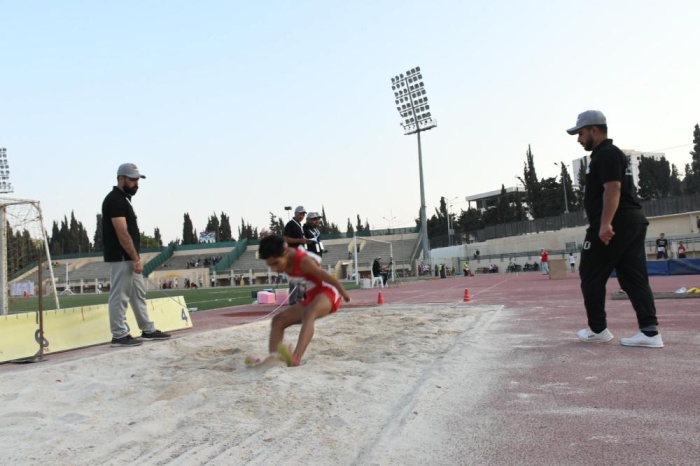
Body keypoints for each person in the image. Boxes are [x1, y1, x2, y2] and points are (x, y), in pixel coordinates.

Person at [567, 110, 662, 347]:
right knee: (633, 277)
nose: (579, 139)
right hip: (631, 221)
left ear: (594, 130)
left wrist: (605, 223)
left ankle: (598, 329)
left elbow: (613, 188)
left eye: (580, 133)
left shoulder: (606, 153)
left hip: (616, 223)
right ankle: (650, 332)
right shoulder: (608, 154)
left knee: (590, 274)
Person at [102, 163, 171, 347]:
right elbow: (122, 232)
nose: (136, 184)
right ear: (121, 178)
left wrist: (136, 257)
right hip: (122, 256)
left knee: (137, 294)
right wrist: (134, 258)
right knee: (120, 295)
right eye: (132, 180)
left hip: (130, 256)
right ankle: (119, 334)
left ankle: (147, 329)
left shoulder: (123, 200)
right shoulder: (115, 199)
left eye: (137, 180)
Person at [258, 234, 350, 366]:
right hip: (311, 296)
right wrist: (268, 238)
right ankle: (274, 358)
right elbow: (283, 240)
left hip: (328, 292)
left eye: (276, 263)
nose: (275, 268)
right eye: (270, 265)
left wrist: (344, 294)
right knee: (277, 320)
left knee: (309, 313)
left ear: (284, 253)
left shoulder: (303, 262)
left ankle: (296, 358)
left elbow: (328, 278)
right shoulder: (279, 250)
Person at [283, 206, 308, 304]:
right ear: (296, 213)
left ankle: (300, 297)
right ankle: (293, 300)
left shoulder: (299, 225)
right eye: (301, 214)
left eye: (303, 214)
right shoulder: (290, 224)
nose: (302, 216)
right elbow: (286, 238)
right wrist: (299, 240)